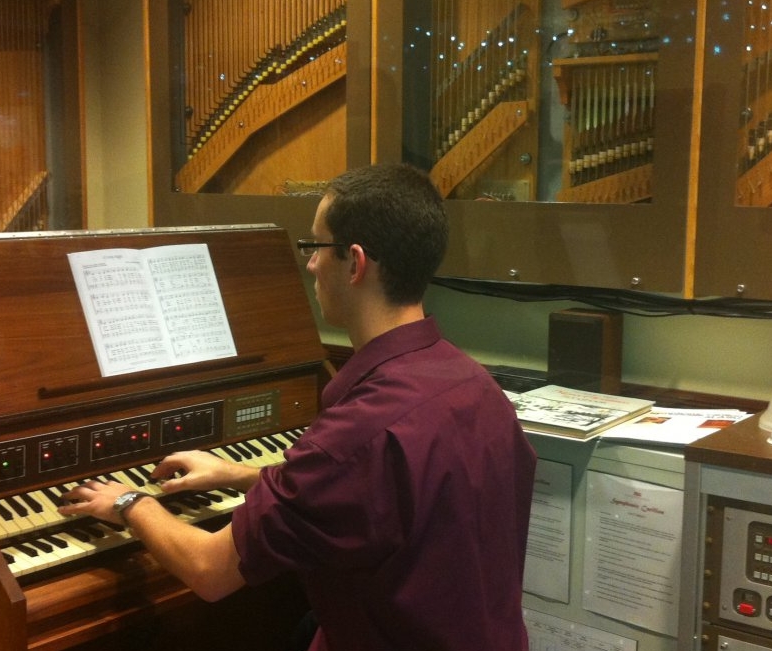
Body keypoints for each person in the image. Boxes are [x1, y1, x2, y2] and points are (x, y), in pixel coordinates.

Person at [60, 163, 538, 651]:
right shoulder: (475, 387)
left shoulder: (357, 434)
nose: (309, 264)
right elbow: (379, 494)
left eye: (315, 247)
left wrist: (128, 503)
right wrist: (239, 475)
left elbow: (209, 570)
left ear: (355, 263)